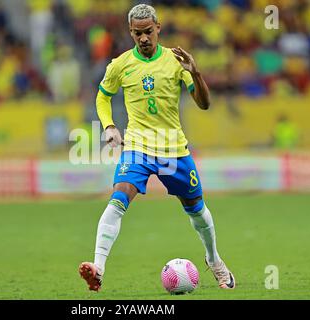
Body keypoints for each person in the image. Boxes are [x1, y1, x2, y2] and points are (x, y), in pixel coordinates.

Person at [79, 4, 235, 291]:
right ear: (131, 33)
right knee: (118, 197)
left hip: (173, 149)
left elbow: (205, 104)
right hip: (137, 146)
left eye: (148, 32)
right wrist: (110, 126)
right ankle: (97, 267)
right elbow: (102, 97)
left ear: (158, 28)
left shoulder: (177, 61)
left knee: (196, 210)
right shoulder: (120, 64)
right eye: (137, 33)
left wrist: (196, 73)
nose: (144, 38)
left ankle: (214, 261)